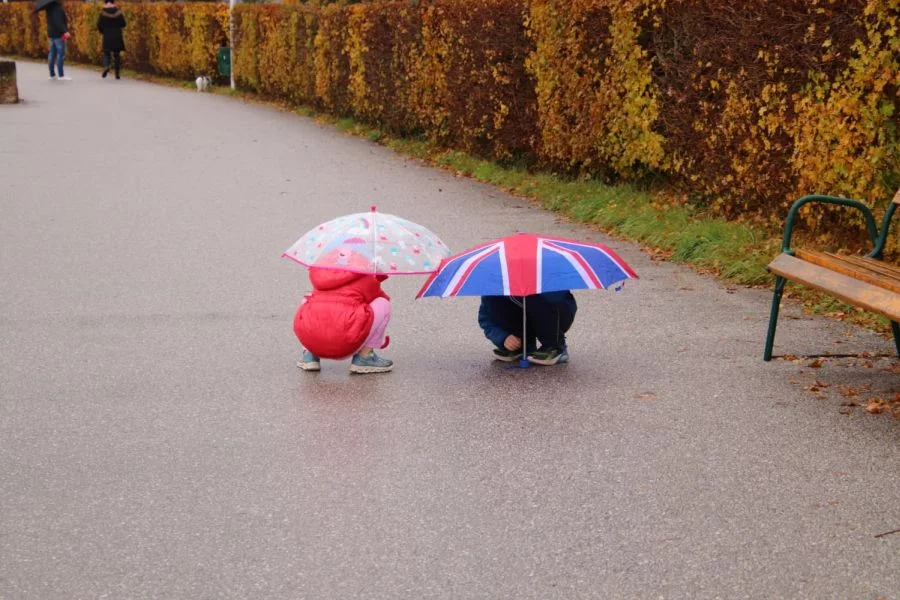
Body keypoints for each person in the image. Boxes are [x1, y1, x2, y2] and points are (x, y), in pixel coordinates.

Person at [294, 268, 393, 374]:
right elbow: (381, 297)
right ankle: (365, 356)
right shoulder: (365, 274)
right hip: (348, 341)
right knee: (382, 303)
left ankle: (309, 354)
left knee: (309, 300)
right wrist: (376, 277)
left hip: (312, 342)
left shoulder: (320, 271)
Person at [478, 292, 577, 365]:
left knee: (537, 298)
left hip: (556, 313)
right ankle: (522, 345)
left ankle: (555, 346)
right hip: (526, 316)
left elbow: (559, 302)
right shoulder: (495, 285)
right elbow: (486, 319)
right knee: (495, 299)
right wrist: (503, 337)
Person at [40, 0, 70, 81]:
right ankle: (61, 75)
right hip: (58, 34)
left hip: (51, 33)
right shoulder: (57, 8)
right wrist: (65, 31)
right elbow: (58, 22)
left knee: (52, 54)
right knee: (60, 54)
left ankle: (52, 74)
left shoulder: (49, 8)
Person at [96, 0, 126, 80]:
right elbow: (123, 24)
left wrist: (103, 32)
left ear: (105, 3)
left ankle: (106, 66)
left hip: (107, 35)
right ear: (114, 2)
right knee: (117, 55)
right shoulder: (119, 12)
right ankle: (117, 74)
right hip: (117, 35)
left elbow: (99, 25)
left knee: (106, 53)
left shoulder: (102, 13)